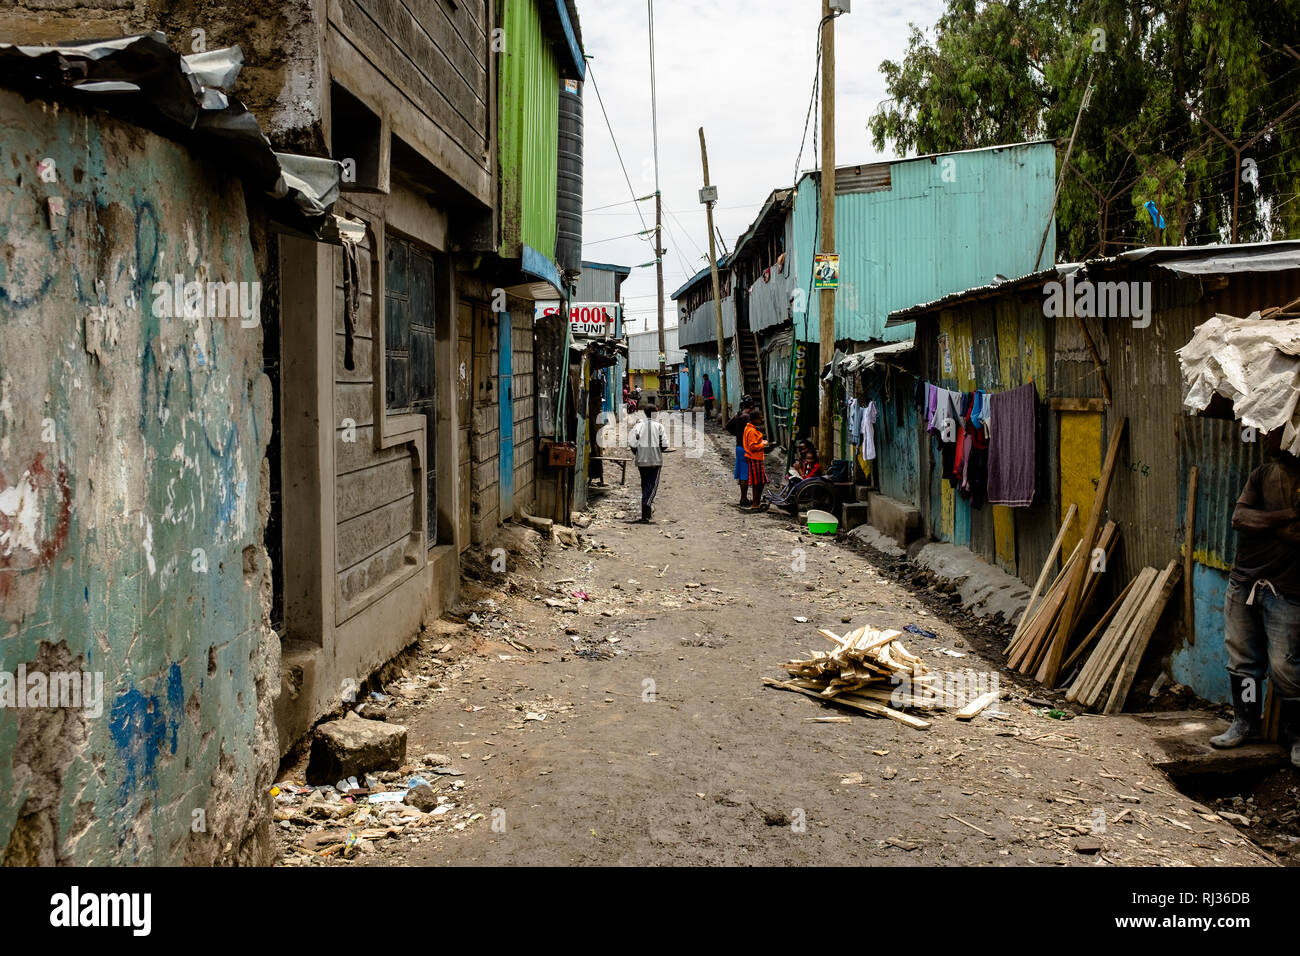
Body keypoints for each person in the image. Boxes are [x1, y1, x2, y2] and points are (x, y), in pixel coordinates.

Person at [1209, 432, 1300, 768]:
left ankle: (1297, 735)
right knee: (1243, 659)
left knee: (1285, 667)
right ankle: (1245, 722)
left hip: (1289, 589)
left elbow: (1253, 521)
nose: (1272, 440)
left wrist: (1262, 522)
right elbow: (1239, 519)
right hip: (1245, 581)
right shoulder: (1262, 474)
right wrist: (1288, 517)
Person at [628, 398, 669, 523]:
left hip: (641, 460)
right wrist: (657, 451)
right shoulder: (659, 427)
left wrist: (638, 453)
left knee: (645, 484)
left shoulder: (638, 426)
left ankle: (646, 514)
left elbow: (633, 444)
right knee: (652, 486)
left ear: (644, 413)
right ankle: (647, 505)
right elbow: (665, 444)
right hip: (655, 460)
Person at [725, 395, 756, 506]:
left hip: (738, 447)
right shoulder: (746, 417)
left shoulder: (737, 415)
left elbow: (727, 426)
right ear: (751, 406)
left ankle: (744, 497)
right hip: (745, 448)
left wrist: (737, 434)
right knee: (745, 475)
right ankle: (743, 498)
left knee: (742, 473)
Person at [742, 410, 776, 512]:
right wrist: (763, 444)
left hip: (755, 458)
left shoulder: (751, 429)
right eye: (760, 418)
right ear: (755, 419)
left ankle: (757, 502)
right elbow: (752, 446)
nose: (761, 419)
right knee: (757, 482)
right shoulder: (751, 431)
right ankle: (755, 504)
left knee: (761, 481)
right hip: (754, 458)